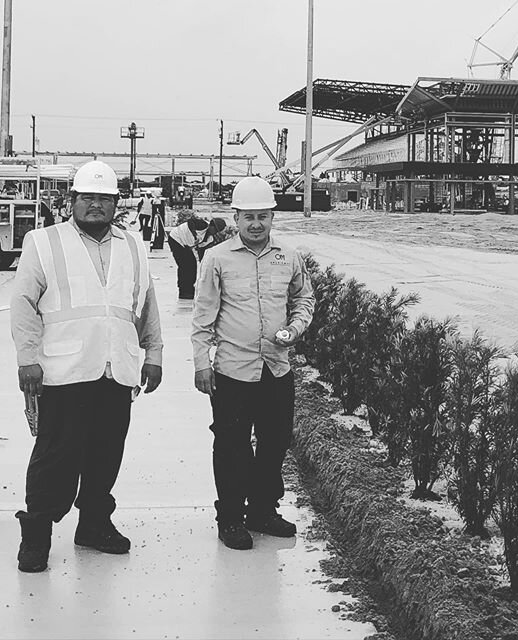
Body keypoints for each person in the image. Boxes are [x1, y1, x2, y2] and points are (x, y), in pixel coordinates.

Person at [10, 160, 163, 573]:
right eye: (88, 197)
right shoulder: (43, 242)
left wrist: (155, 353)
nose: (96, 205)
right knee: (55, 456)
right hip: (64, 371)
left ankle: (94, 525)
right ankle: (37, 533)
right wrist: (27, 358)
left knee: (105, 453)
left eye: (105, 198)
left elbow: (145, 303)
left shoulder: (133, 245)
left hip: (117, 370)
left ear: (117, 204)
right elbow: (23, 304)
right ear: (71, 200)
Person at [191, 176, 314, 551]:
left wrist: (295, 328)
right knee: (231, 445)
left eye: (263, 216)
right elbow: (202, 316)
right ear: (236, 218)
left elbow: (304, 299)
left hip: (277, 368)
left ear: (272, 217)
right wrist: (201, 363)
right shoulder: (217, 258)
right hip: (232, 371)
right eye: (248, 217)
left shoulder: (288, 256)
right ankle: (230, 517)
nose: (256, 224)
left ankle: (262, 510)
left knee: (276, 441)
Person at [167, 216, 226, 300]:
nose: (215, 232)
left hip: (186, 245)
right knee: (185, 265)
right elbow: (191, 221)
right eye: (215, 229)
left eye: (217, 231)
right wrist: (194, 233)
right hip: (176, 238)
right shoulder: (203, 224)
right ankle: (184, 291)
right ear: (211, 226)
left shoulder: (209, 239)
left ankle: (189, 289)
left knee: (192, 266)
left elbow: (201, 251)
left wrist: (204, 265)